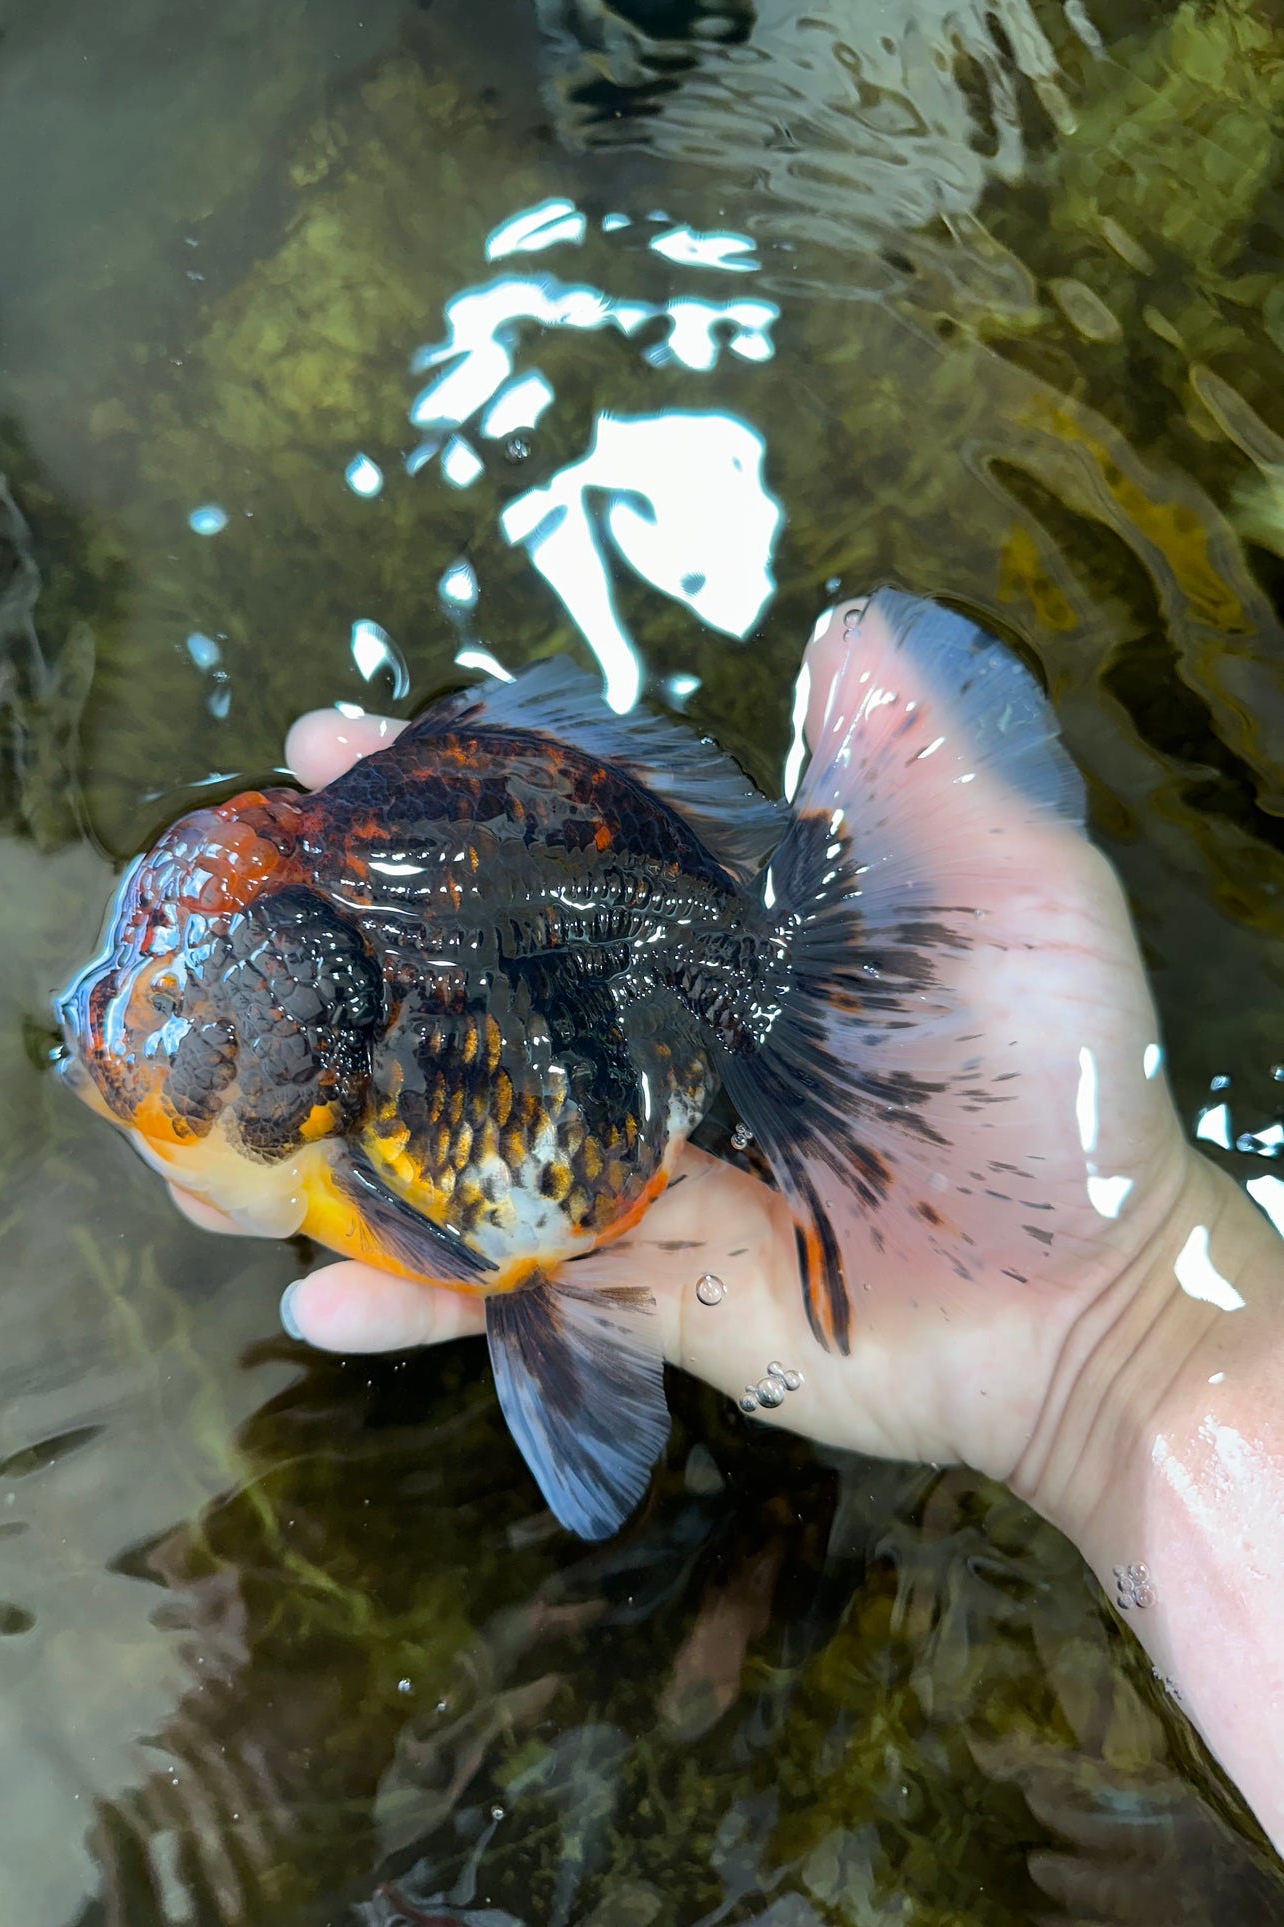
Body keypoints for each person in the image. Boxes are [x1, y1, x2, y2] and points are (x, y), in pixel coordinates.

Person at [171, 606, 1284, 1855]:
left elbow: (469, 1235)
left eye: (175, 1024)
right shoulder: (314, 1024)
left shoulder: (344, 1130)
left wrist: (1118, 1335)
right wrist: (1128, 1340)